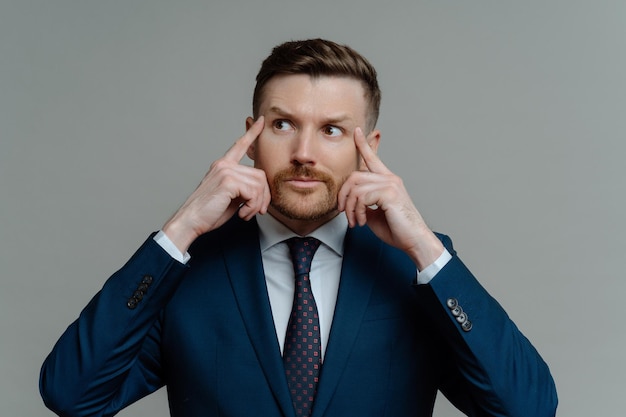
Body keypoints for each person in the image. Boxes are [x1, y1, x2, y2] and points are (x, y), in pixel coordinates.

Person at [40, 38, 557, 417]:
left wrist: (425, 247)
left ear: (368, 148)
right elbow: (73, 394)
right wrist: (179, 230)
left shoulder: (417, 268)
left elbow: (526, 409)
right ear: (250, 136)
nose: (304, 154)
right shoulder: (189, 268)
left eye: (332, 130)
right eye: (283, 125)